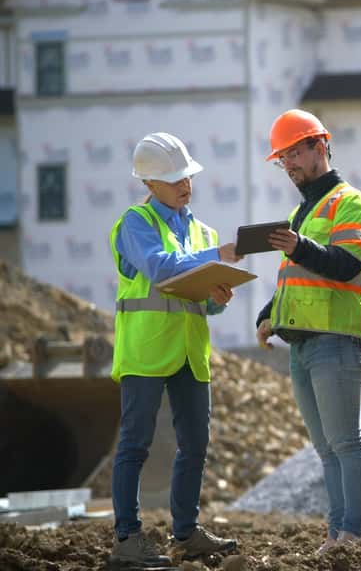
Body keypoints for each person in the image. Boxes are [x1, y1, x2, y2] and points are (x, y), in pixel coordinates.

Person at [108, 132, 240, 567]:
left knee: (196, 443)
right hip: (146, 349)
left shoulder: (200, 230)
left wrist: (214, 299)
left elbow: (197, 298)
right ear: (149, 184)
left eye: (187, 175)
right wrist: (215, 256)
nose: (186, 184)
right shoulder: (135, 223)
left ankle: (185, 534)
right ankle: (127, 540)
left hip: (188, 352)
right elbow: (162, 269)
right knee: (135, 445)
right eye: (175, 178)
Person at [255, 109, 361, 553]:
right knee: (326, 449)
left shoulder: (351, 203)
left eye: (293, 154)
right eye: (281, 158)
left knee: (346, 442)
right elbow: (295, 279)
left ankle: (354, 534)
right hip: (303, 343)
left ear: (319, 146)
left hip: (337, 339)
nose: (287, 165)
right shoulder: (301, 212)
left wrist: (300, 246)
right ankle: (335, 534)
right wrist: (269, 314)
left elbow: (347, 265)